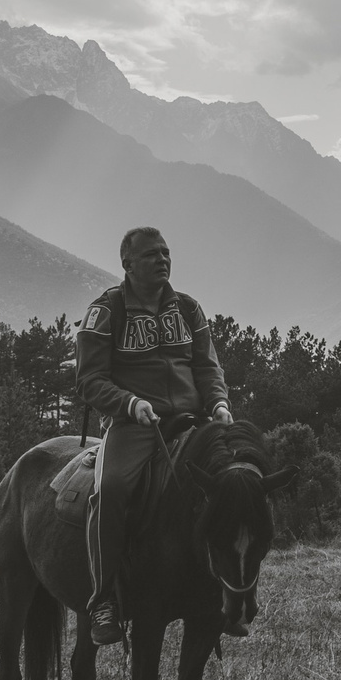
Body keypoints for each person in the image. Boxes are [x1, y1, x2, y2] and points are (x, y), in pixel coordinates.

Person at [73, 226, 231, 647]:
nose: (162, 259)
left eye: (165, 252)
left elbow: (207, 367)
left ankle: (233, 593)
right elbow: (90, 380)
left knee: (239, 481)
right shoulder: (105, 313)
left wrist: (218, 403)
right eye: (150, 255)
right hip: (136, 425)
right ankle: (103, 599)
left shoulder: (189, 309)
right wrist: (129, 404)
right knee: (110, 488)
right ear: (127, 264)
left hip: (195, 419)